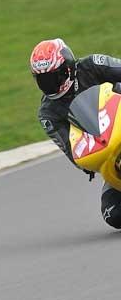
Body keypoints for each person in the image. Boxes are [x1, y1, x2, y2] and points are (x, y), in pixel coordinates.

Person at [32, 38, 121, 228]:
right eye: (44, 80)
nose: (51, 85)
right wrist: (85, 161)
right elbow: (71, 150)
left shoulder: (92, 65)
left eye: (55, 77)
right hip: (108, 152)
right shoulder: (48, 113)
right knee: (113, 214)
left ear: (69, 67)